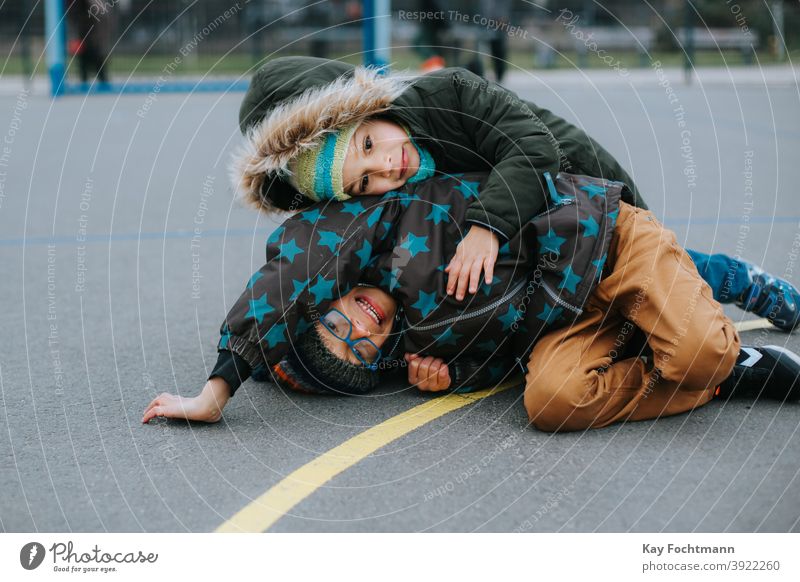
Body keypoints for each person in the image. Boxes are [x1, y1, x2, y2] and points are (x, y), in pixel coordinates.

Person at [142, 171, 800, 431]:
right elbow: (507, 347)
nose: (357, 325)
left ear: (327, 295)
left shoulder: (380, 225)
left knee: (692, 338)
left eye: (335, 320)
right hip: (569, 320)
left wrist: (223, 380)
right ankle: (725, 374)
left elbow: (293, 272)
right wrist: (456, 376)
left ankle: (722, 286)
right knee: (549, 403)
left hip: (602, 242)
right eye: (355, 348)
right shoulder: (416, 345)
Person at [229, 56, 800, 331]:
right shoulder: (394, 190)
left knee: (640, 269)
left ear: (367, 109)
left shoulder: (446, 93)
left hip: (577, 194)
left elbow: (532, 146)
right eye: (365, 181)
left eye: (372, 143)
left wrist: (485, 227)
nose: (386, 167)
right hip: (521, 242)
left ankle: (741, 282)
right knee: (603, 307)